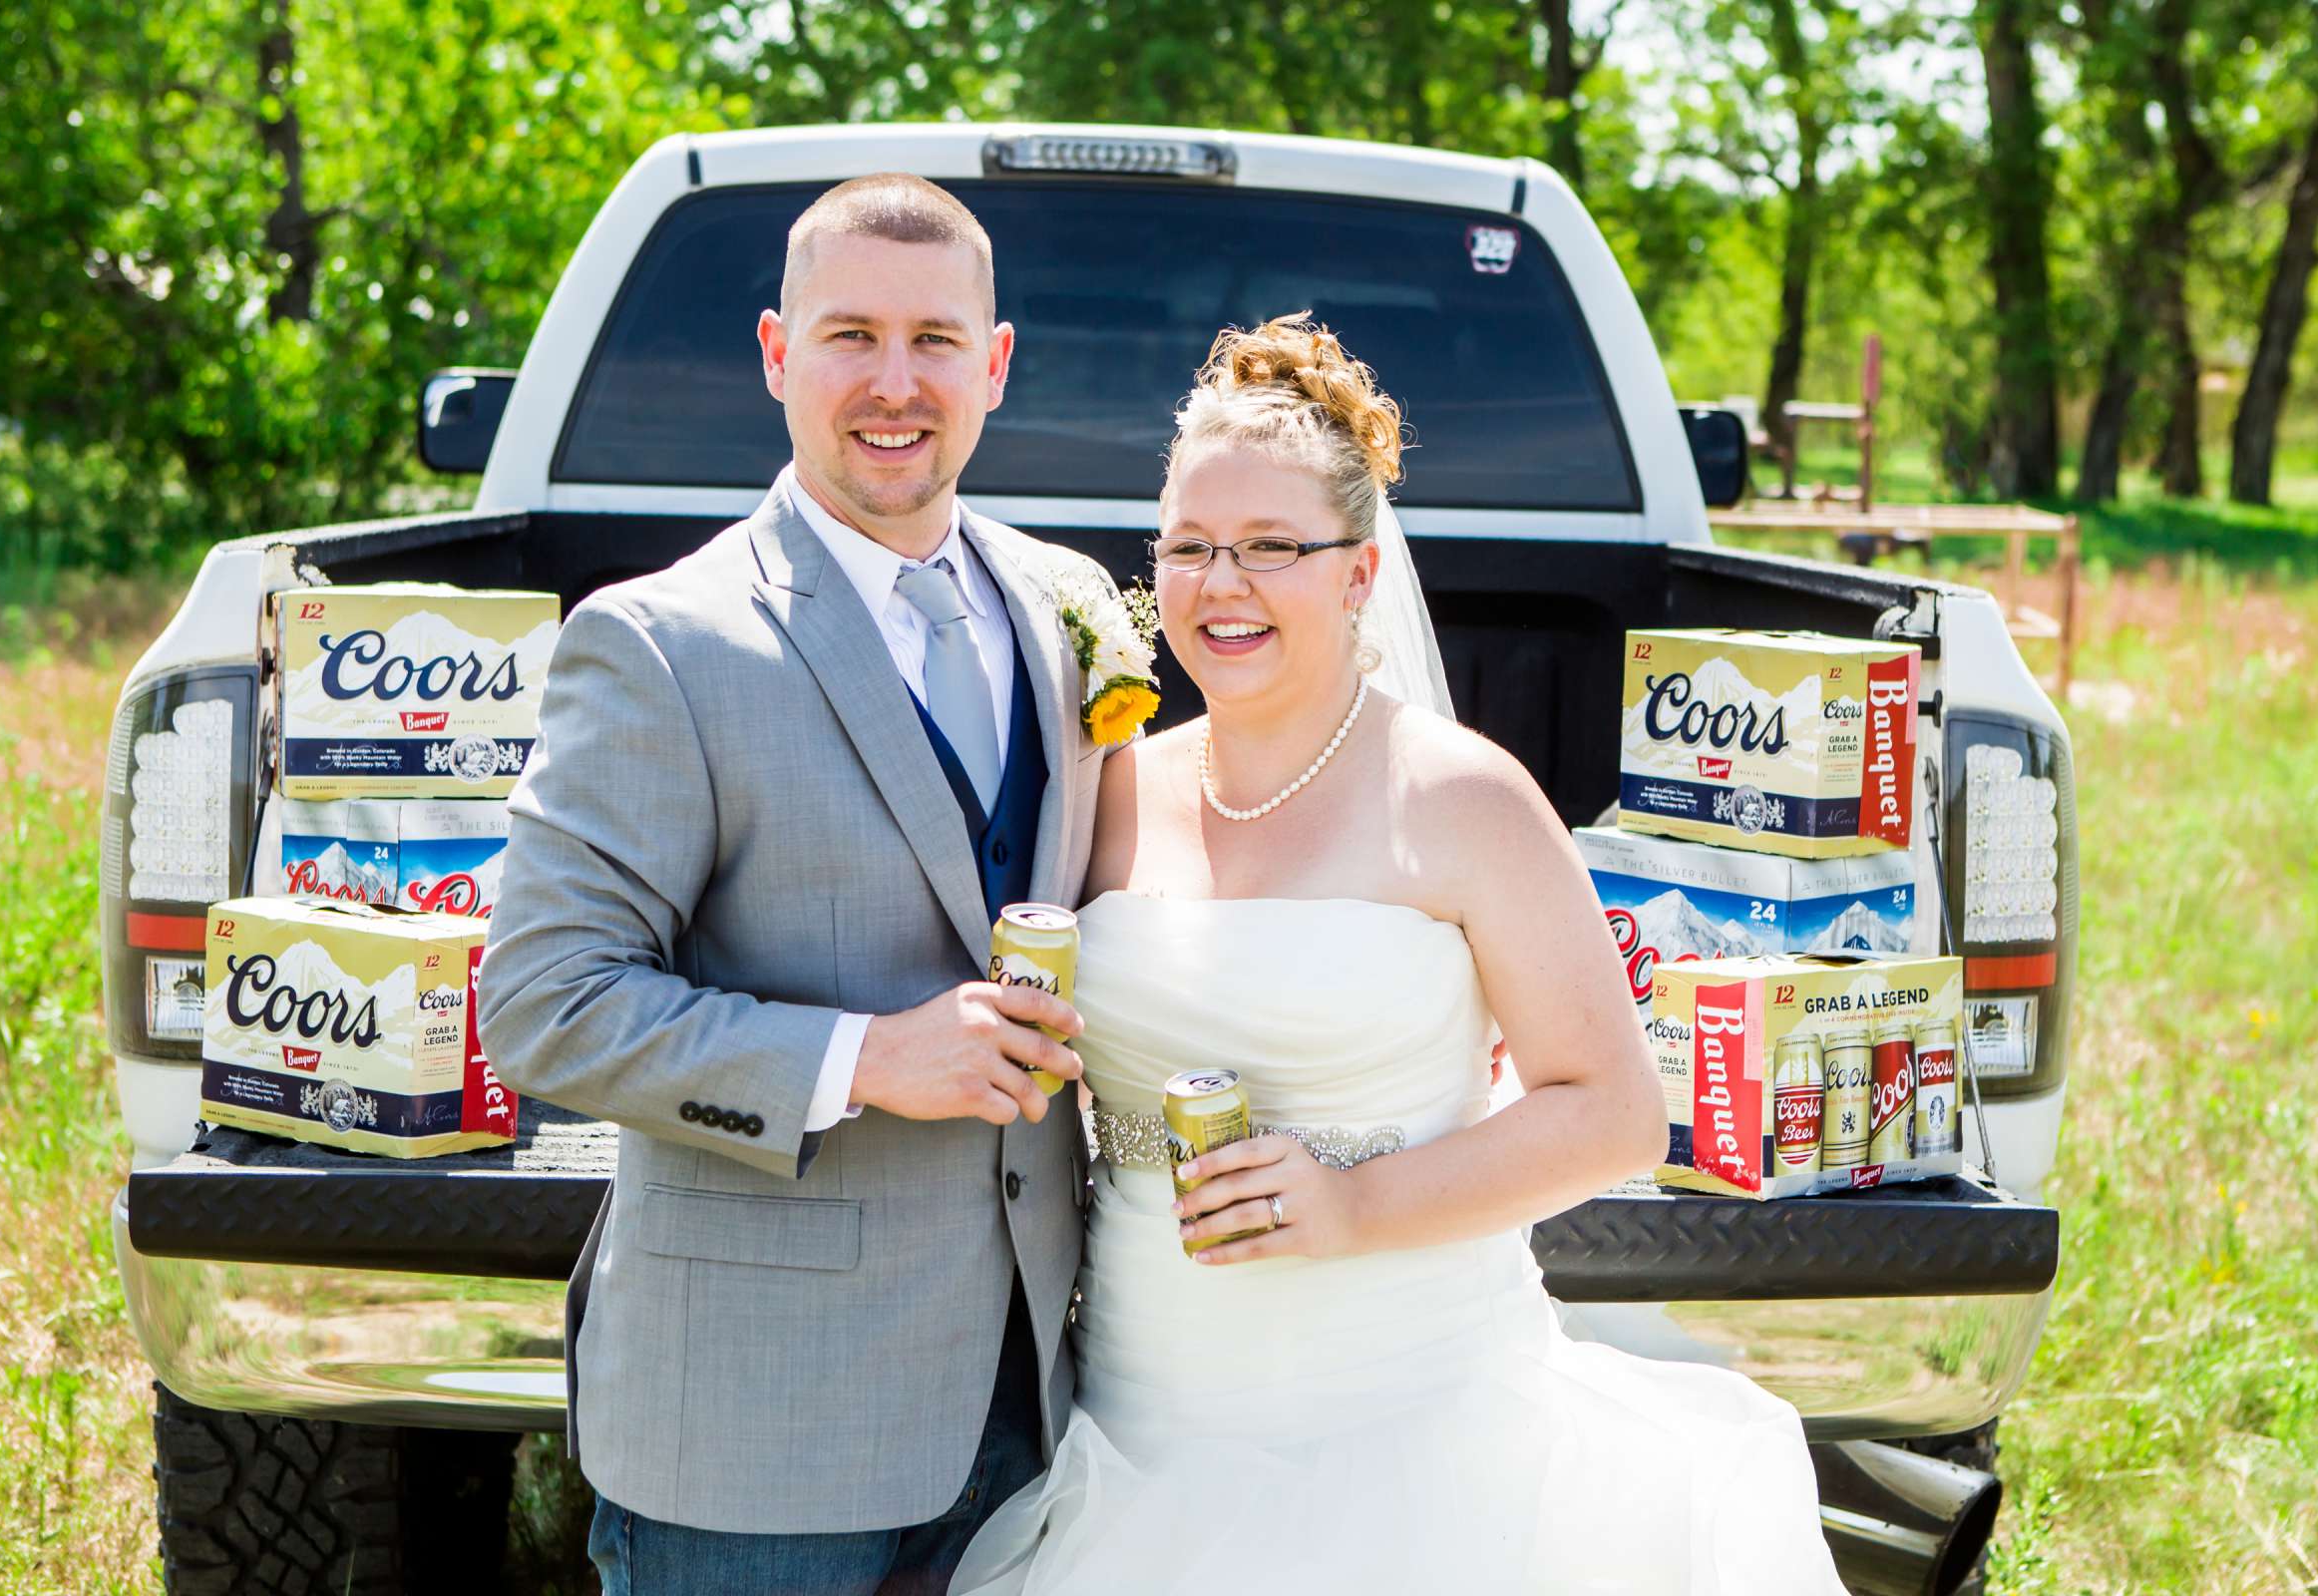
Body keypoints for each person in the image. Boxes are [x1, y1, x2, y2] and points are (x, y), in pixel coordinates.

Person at [950, 315, 1849, 1594]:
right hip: (1143, 1424)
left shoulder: (1463, 799)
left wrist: (1353, 1204)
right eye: (1192, 548)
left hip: (1412, 1432)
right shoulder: (1113, 794)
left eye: (1273, 548)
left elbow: (1613, 1113)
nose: (1223, 584)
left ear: (1361, 575)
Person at [478, 174, 1124, 1594]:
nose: (895, 384)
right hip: (752, 1436)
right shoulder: (660, 645)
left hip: (1031, 1404)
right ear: (777, 354)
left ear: (996, 365)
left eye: (938, 341)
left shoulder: (1067, 603)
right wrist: (867, 1060)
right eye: (851, 336)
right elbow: (538, 1003)